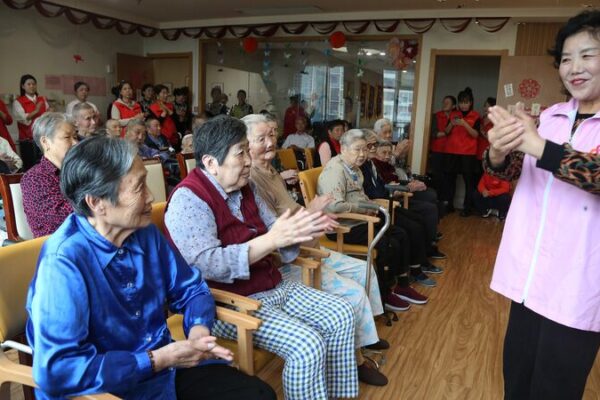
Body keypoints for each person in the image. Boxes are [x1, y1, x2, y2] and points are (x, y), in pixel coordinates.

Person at [26, 135, 276, 400]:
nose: (151, 196)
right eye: (139, 188)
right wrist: (156, 359)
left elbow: (192, 289)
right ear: (97, 202)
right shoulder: (63, 261)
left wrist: (198, 331)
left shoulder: (143, 231)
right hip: (109, 388)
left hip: (165, 371)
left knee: (258, 395)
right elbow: (58, 369)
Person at [165, 115, 359, 400]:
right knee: (307, 345)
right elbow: (207, 264)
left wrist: (301, 228)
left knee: (342, 313)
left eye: (247, 150)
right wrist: (272, 240)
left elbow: (275, 230)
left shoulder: (247, 187)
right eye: (240, 153)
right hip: (226, 303)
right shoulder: (188, 199)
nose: (248, 161)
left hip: (271, 285)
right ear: (210, 162)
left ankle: (335, 395)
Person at [484, 10, 600, 399]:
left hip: (577, 286)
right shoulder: (551, 116)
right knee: (517, 382)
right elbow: (513, 170)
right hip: (530, 279)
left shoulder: (543, 132)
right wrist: (499, 152)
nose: (574, 68)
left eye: (588, 55)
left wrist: (538, 146)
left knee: (555, 391)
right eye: (566, 59)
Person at [243, 113, 389, 386]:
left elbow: (292, 210)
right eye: (261, 138)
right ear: (244, 145)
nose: (270, 142)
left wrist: (314, 217)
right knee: (353, 293)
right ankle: (356, 361)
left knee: (363, 268)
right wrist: (311, 214)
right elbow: (274, 232)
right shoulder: (251, 179)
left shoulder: (271, 171)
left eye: (272, 134)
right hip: (291, 257)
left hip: (309, 243)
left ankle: (364, 339)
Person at [317, 129, 432, 311]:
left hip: (361, 221)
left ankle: (402, 285)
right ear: (343, 149)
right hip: (343, 226)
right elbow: (335, 207)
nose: (362, 154)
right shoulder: (335, 170)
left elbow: (360, 196)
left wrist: (371, 206)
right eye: (357, 149)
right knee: (388, 243)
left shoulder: (354, 168)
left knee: (400, 233)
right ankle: (384, 294)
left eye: (365, 149)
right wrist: (365, 209)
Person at [363, 134, 446, 261]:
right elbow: (378, 191)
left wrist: (404, 185)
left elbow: (388, 183)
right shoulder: (371, 164)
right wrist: (400, 189)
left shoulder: (371, 164)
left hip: (390, 198)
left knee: (425, 209)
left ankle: (428, 247)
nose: (387, 156)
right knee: (421, 216)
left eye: (375, 145)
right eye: (370, 146)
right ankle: (421, 258)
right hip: (383, 204)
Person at [21, 113, 77, 237]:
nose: (75, 143)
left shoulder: (78, 171)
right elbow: (64, 216)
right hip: (59, 244)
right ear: (45, 142)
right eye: (67, 137)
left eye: (75, 136)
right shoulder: (34, 178)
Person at [443, 87, 480, 216]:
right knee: (450, 179)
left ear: (471, 103)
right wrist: (451, 124)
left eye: (466, 102)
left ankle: (467, 208)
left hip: (468, 153)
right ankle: (449, 205)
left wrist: (464, 124)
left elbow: (475, 135)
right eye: (461, 102)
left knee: (468, 181)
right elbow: (446, 132)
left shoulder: (476, 116)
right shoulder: (453, 114)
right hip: (452, 151)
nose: (463, 105)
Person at [13, 74, 50, 170]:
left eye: (34, 84)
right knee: (30, 167)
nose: (32, 86)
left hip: (43, 138)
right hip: (27, 141)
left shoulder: (42, 99)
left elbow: (48, 115)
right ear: (23, 86)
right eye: (29, 84)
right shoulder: (18, 102)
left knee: (45, 166)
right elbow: (23, 119)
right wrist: (36, 110)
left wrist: (50, 112)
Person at [430, 95, 456, 203]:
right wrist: (446, 132)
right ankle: (436, 200)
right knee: (437, 177)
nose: (444, 104)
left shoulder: (457, 117)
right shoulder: (436, 116)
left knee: (450, 178)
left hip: (452, 151)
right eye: (444, 102)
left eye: (448, 102)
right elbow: (434, 134)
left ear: (453, 106)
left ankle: (448, 202)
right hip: (437, 150)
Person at [150, 84, 179, 149]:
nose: (166, 95)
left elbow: (177, 120)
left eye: (166, 93)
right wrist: (164, 113)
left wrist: (167, 109)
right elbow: (155, 123)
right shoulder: (152, 107)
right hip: (161, 137)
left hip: (173, 136)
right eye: (163, 93)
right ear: (157, 95)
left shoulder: (170, 105)